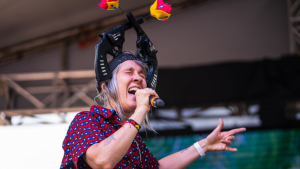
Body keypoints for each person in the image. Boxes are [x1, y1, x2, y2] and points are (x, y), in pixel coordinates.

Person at [60, 51, 246, 169]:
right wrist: (141, 110)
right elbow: (101, 162)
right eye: (129, 72)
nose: (138, 78)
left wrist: (203, 146)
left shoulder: (131, 138)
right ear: (106, 86)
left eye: (142, 74)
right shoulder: (86, 120)